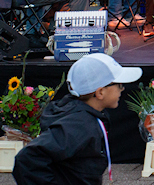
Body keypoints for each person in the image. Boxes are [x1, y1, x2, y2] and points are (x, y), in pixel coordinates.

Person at [12, 53, 142, 185]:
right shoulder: (79, 124)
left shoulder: (89, 116)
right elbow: (26, 159)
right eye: (119, 84)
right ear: (100, 92)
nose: (122, 88)